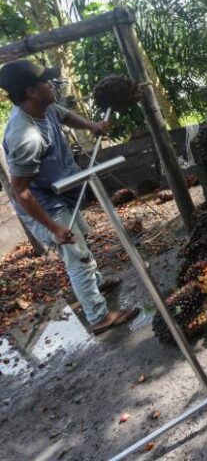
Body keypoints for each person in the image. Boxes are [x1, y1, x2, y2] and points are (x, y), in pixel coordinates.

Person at [0, 60, 139, 335]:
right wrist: (53, 229)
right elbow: (21, 191)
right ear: (31, 91)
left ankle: (95, 283)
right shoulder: (24, 136)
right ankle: (98, 316)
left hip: (62, 189)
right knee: (77, 256)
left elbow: (64, 115)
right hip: (43, 203)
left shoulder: (45, 106)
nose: (51, 85)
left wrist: (94, 126)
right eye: (45, 82)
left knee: (81, 243)